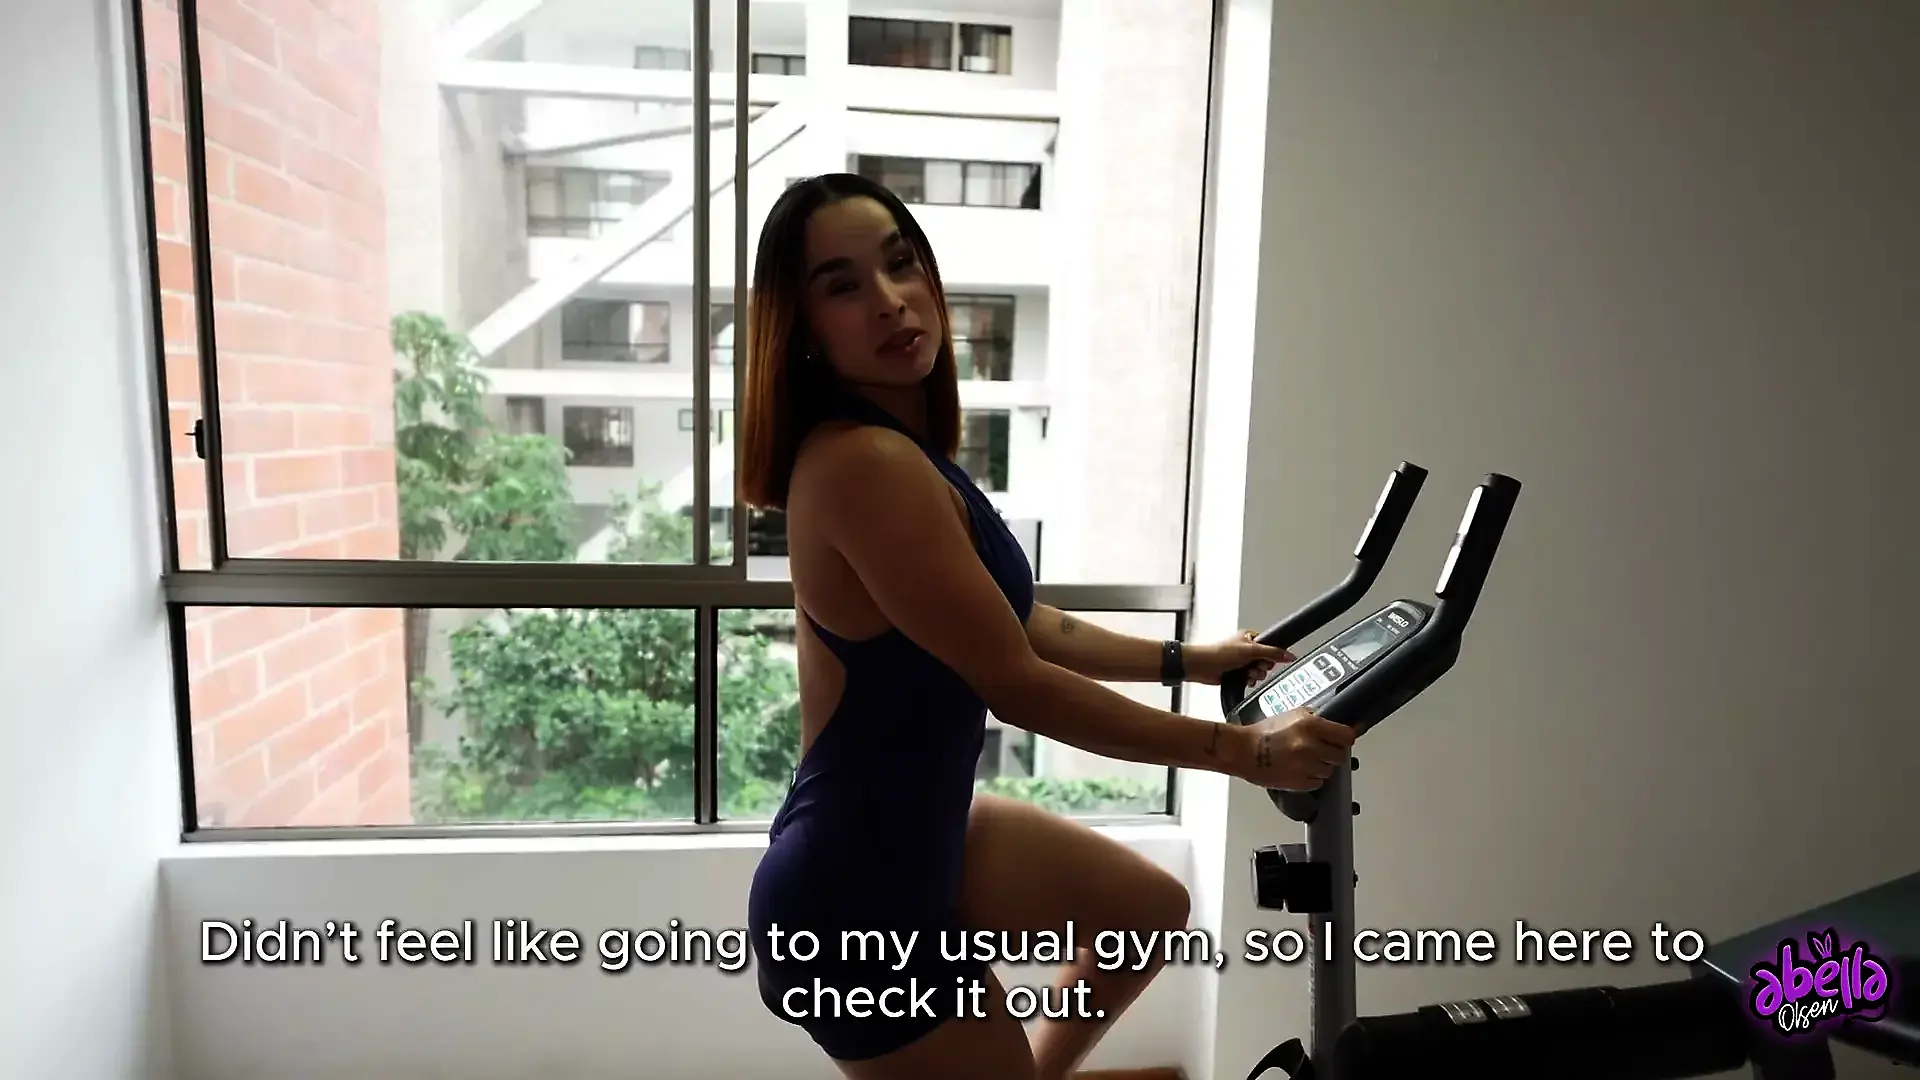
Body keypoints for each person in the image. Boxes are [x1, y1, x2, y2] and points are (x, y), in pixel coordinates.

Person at [738, 173, 1358, 1080]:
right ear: (803, 330)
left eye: (900, 264)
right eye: (843, 286)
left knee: (1142, 913)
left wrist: (1187, 658)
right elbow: (1017, 684)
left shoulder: (906, 452)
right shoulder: (861, 464)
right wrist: (1247, 753)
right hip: (854, 897)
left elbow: (1023, 625)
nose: (891, 300)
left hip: (917, 835)